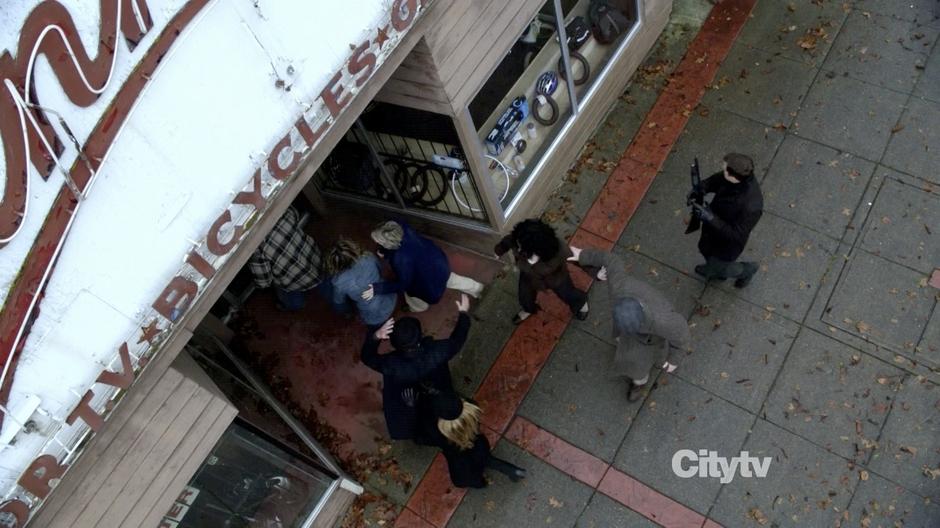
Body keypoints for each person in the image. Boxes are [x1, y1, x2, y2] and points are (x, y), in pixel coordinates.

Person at [568, 247, 691, 402]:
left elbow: (682, 337)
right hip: (632, 326)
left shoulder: (664, 321)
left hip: (648, 341)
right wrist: (583, 255)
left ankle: (640, 381)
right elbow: (611, 260)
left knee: (639, 365)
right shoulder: (619, 289)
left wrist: (674, 359)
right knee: (622, 341)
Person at [360, 294, 472, 440]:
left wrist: (376, 336)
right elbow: (458, 339)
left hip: (410, 393)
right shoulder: (437, 351)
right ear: (419, 336)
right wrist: (463, 313)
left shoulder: (391, 364)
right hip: (437, 384)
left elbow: (367, 357)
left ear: (394, 343)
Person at [363, 220, 483, 312]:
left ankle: (416, 308)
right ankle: (478, 288)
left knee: (415, 299)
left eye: (379, 241)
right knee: (454, 280)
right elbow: (398, 246)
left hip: (426, 282)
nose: (376, 242)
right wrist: (385, 252)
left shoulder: (400, 260)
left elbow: (403, 283)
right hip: (438, 265)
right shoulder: (402, 227)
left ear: (387, 243)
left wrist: (378, 288)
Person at [414, 390, 525, 488]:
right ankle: (513, 470)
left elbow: (424, 438)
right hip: (478, 444)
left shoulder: (441, 434)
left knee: (464, 478)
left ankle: (481, 483)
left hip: (460, 457)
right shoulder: (470, 410)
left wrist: (414, 408)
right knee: (485, 459)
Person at [688, 153, 763, 288]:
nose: (722, 172)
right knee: (705, 249)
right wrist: (701, 189)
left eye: (724, 171)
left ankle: (747, 270)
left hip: (726, 246)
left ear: (734, 177)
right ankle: (715, 271)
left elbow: (736, 235)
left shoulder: (752, 206)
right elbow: (714, 181)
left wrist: (711, 218)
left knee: (723, 266)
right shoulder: (732, 176)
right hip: (712, 231)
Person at [494, 218, 588, 324]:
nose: (518, 249)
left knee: (567, 293)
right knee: (524, 296)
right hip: (528, 276)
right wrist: (499, 251)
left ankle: (580, 303)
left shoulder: (558, 249)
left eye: (522, 248)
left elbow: (578, 258)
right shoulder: (518, 239)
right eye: (518, 245)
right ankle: (528, 309)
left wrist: (597, 271)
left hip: (556, 278)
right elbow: (507, 242)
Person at [248, 206, 322, 311]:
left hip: (294, 282)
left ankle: (295, 306)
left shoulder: (257, 250)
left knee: (286, 294)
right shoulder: (283, 213)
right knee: (326, 285)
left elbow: (264, 283)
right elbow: (295, 213)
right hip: (316, 260)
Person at [324, 238, 396, 328]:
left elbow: (339, 300)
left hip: (371, 314)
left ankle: (348, 314)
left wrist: (343, 310)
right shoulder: (368, 257)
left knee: (336, 301)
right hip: (389, 297)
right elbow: (380, 269)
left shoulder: (338, 282)